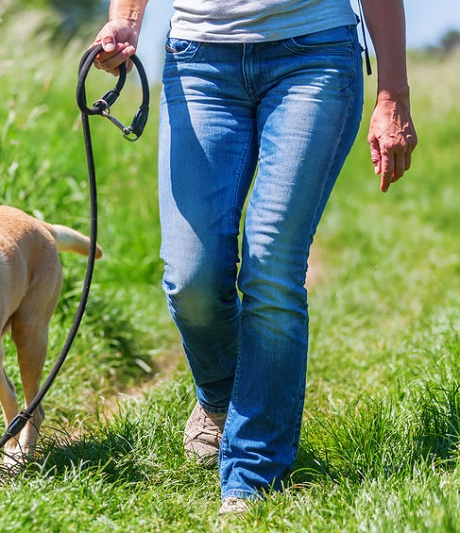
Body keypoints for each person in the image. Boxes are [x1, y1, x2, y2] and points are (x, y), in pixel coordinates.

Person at [92, 0, 417, 515]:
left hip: (313, 55)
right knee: (190, 276)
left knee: (271, 265)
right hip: (198, 60)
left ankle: (250, 475)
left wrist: (392, 93)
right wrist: (126, 22)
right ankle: (222, 399)